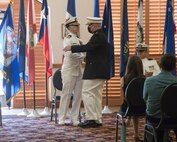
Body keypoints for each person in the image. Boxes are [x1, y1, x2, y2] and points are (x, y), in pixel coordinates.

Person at [63, 17, 110, 128]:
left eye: (90, 25)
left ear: (95, 25)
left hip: (94, 71)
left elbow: (88, 47)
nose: (89, 27)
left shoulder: (98, 36)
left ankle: (91, 119)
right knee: (96, 95)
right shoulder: (101, 36)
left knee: (87, 93)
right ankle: (97, 118)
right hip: (99, 71)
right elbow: (93, 51)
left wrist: (72, 47)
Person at [143, 53, 177, 142]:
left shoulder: (149, 81)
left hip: (154, 118)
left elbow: (145, 98)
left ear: (160, 65)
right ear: (174, 67)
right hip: (174, 118)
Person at [58, 17, 85, 126]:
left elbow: (83, 54)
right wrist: (82, 55)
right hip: (69, 70)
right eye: (75, 26)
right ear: (69, 27)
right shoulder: (67, 39)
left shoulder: (79, 40)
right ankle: (62, 118)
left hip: (78, 70)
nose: (77, 27)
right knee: (66, 95)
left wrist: (82, 55)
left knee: (78, 95)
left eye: (77, 26)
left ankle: (74, 118)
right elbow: (71, 54)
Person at [120, 55, 145, 142]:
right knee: (135, 111)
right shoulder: (144, 79)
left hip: (128, 107)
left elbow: (124, 97)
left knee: (128, 105)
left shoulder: (123, 79)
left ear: (128, 66)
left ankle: (124, 136)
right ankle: (136, 135)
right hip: (142, 108)